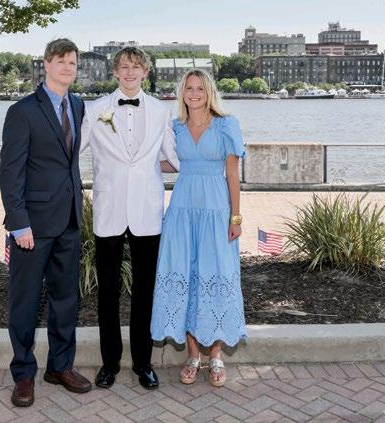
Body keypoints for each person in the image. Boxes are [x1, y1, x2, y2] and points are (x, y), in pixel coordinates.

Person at [0, 38, 91, 407]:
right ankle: (23, 373)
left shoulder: (78, 105)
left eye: (73, 63)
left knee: (66, 299)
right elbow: (10, 172)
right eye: (61, 61)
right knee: (25, 302)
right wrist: (19, 223)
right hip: (32, 227)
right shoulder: (22, 111)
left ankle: (60, 366)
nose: (68, 67)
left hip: (69, 220)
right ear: (47, 64)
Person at [80, 47, 179, 390]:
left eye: (136, 67)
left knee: (145, 291)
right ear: (115, 72)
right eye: (124, 66)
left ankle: (143, 363)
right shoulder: (95, 110)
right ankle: (109, 363)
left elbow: (175, 157)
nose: (130, 72)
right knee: (107, 292)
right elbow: (69, 151)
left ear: (145, 72)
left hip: (147, 212)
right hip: (108, 210)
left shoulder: (161, 111)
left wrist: (211, 156)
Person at [150, 68, 247, 387]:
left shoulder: (226, 125)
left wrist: (236, 217)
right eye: (189, 88)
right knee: (187, 276)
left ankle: (215, 355)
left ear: (209, 93)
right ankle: (193, 355)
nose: (194, 93)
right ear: (182, 93)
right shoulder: (175, 127)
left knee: (215, 276)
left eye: (200, 88)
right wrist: (135, 163)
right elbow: (171, 163)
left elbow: (232, 173)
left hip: (215, 211)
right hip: (181, 211)